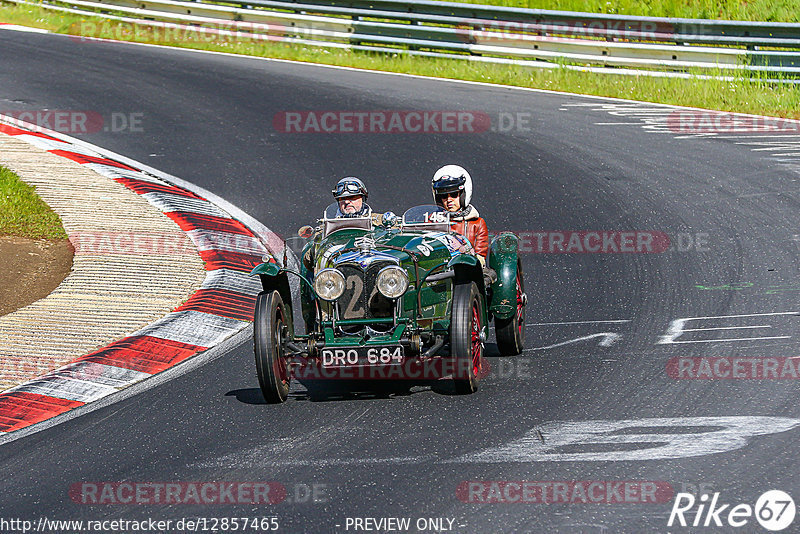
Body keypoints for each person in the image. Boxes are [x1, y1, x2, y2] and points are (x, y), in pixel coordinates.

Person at [431, 165, 489, 263]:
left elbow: (480, 256)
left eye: (454, 195)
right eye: (444, 196)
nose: (449, 200)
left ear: (463, 195)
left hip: (467, 269)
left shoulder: (477, 224)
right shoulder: (431, 221)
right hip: (437, 268)